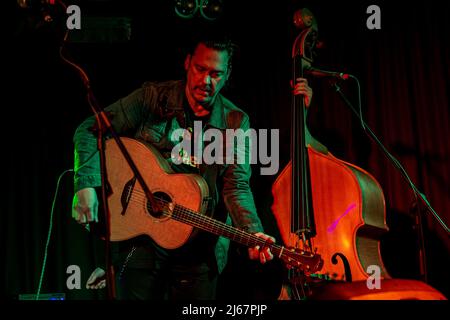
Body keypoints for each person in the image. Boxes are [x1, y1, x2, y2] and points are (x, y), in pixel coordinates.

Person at [72, 34, 313, 300]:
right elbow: (89, 129)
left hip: (200, 245)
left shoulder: (235, 122)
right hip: (143, 239)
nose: (206, 81)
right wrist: (86, 185)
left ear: (228, 74)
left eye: (216, 74)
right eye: (200, 69)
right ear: (187, 63)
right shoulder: (153, 97)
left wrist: (251, 231)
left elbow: (236, 185)